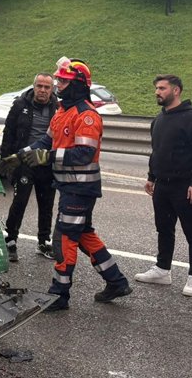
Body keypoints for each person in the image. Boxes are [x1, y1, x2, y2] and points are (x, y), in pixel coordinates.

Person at [21, 57, 130, 310]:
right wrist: (21, 155)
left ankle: (59, 295)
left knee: (64, 238)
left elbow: (84, 154)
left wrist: (47, 157)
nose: (58, 85)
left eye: (63, 81)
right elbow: (46, 141)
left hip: (80, 189)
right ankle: (116, 281)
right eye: (58, 80)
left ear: (78, 85)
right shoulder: (62, 111)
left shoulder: (87, 116)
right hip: (70, 187)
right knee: (83, 234)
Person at [134, 74, 192, 297]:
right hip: (162, 186)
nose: (157, 92)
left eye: (162, 88)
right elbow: (156, 151)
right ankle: (162, 270)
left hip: (185, 187)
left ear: (176, 91)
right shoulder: (159, 119)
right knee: (164, 229)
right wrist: (151, 177)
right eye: (157, 88)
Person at [0, 73, 58, 262]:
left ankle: (43, 241)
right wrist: (6, 160)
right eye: (39, 86)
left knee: (46, 203)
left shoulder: (58, 108)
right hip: (24, 162)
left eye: (46, 87)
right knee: (20, 201)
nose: (42, 90)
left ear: (52, 89)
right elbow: (8, 132)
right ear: (34, 86)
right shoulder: (20, 105)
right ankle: (10, 240)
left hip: (46, 162)